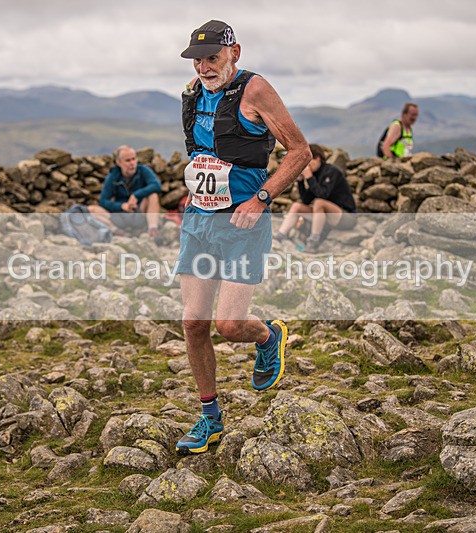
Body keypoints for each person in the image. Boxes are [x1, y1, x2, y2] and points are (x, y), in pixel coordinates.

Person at [174, 20, 311, 455]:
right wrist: (193, 191)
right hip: (200, 221)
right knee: (193, 324)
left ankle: (269, 337)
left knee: (229, 326)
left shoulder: (255, 90)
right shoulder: (192, 94)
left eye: (213, 56)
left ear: (235, 52)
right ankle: (209, 419)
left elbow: (300, 151)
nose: (204, 66)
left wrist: (262, 198)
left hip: (243, 224)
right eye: (198, 58)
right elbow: (203, 156)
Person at [273, 143, 356, 253]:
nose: (306, 166)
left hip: (346, 217)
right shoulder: (315, 174)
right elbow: (306, 200)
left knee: (319, 203)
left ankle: (313, 241)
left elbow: (323, 195)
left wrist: (309, 177)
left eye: (308, 161)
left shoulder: (331, 171)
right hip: (327, 217)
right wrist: (301, 181)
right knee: (297, 207)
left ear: (317, 158)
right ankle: (281, 235)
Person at [88, 145, 163, 241]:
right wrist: (122, 206)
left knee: (153, 196)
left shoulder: (143, 170)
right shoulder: (113, 176)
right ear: (119, 162)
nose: (132, 163)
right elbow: (103, 201)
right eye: (128, 160)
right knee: (91, 209)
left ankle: (153, 230)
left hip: (139, 212)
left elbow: (156, 185)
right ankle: (116, 232)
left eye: (133, 159)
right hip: (119, 216)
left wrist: (136, 195)